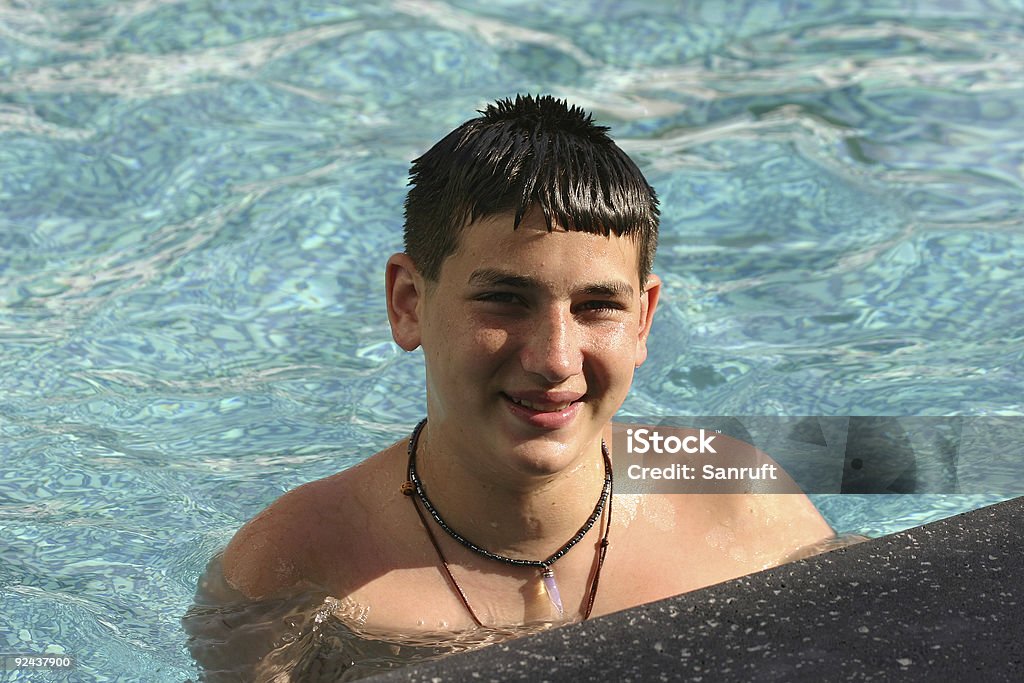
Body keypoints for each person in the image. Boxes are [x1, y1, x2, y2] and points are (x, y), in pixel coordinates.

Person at [185, 94, 836, 679]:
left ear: (643, 318)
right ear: (409, 302)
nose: (555, 358)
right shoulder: (297, 570)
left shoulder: (743, 505)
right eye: (504, 299)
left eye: (597, 306)